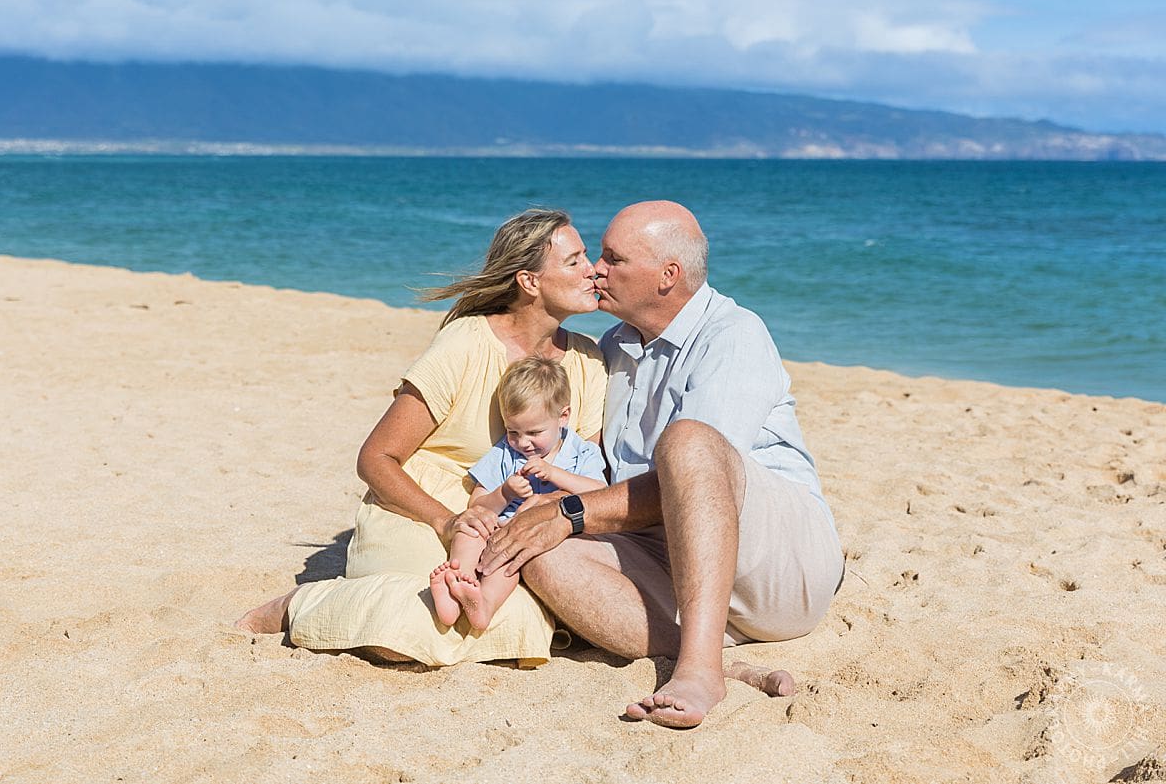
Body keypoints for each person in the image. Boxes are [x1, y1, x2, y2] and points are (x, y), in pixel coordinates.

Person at [478, 201, 843, 727]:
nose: (596, 270)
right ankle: (720, 655)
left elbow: (695, 479)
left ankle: (698, 669)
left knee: (688, 441)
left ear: (668, 276)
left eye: (612, 258)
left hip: (780, 565)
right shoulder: (616, 346)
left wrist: (569, 513)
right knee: (539, 552)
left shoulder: (733, 334)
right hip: (673, 558)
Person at [235, 208, 608, 666]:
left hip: (516, 517)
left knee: (514, 618)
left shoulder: (589, 362)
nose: (593, 270)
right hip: (421, 507)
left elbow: (583, 465)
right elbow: (376, 458)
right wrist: (445, 521)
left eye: (587, 257)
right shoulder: (465, 343)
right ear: (529, 281)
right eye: (574, 261)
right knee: (420, 620)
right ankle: (297, 605)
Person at [430, 356, 606, 631]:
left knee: (511, 554)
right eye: (513, 431)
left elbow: (600, 493)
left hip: (542, 533)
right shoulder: (505, 452)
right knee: (470, 530)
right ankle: (455, 587)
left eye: (534, 432)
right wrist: (505, 492)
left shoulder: (583, 452)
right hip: (500, 526)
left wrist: (555, 474)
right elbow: (478, 504)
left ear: (563, 416)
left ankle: (484, 604)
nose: (522, 443)